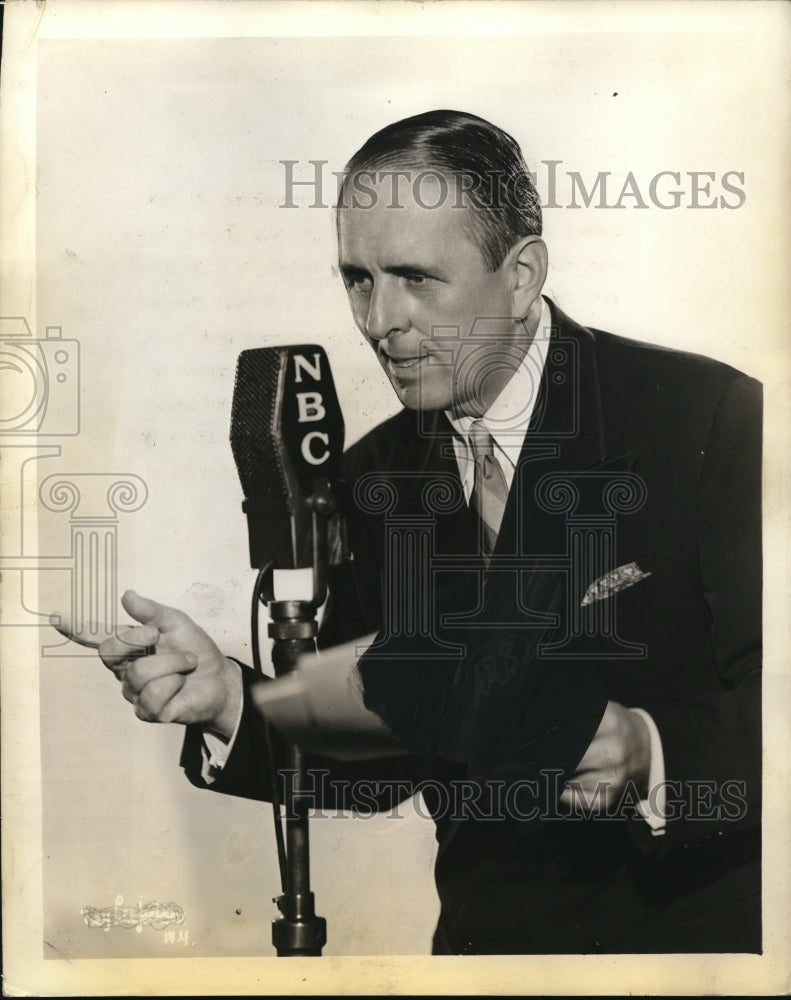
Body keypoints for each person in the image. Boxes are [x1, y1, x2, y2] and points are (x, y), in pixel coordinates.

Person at [68, 111, 761, 954]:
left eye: (414, 277)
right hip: (486, 957)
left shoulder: (710, 416)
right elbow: (378, 754)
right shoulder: (368, 481)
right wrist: (228, 704)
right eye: (357, 278)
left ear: (520, 274)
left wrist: (651, 754)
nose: (377, 320)